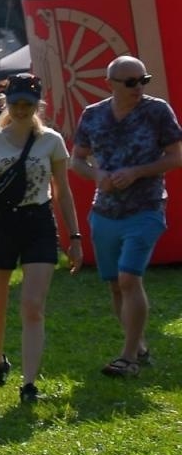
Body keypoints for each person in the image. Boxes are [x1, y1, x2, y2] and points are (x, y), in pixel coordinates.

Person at [0, 73, 83, 402]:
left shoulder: (51, 141)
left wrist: (74, 236)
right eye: (14, 103)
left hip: (38, 224)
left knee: (33, 307)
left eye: (27, 105)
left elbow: (62, 193)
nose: (20, 109)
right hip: (0, 226)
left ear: (37, 106)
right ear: (6, 103)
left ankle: (29, 383)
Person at [69, 55, 182, 377]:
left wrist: (137, 172)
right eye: (131, 82)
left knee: (129, 279)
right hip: (104, 212)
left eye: (143, 80)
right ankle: (140, 344)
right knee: (115, 287)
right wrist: (97, 174)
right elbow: (77, 160)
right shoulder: (93, 115)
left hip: (146, 208)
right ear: (111, 84)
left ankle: (129, 357)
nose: (139, 88)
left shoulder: (157, 111)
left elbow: (176, 157)